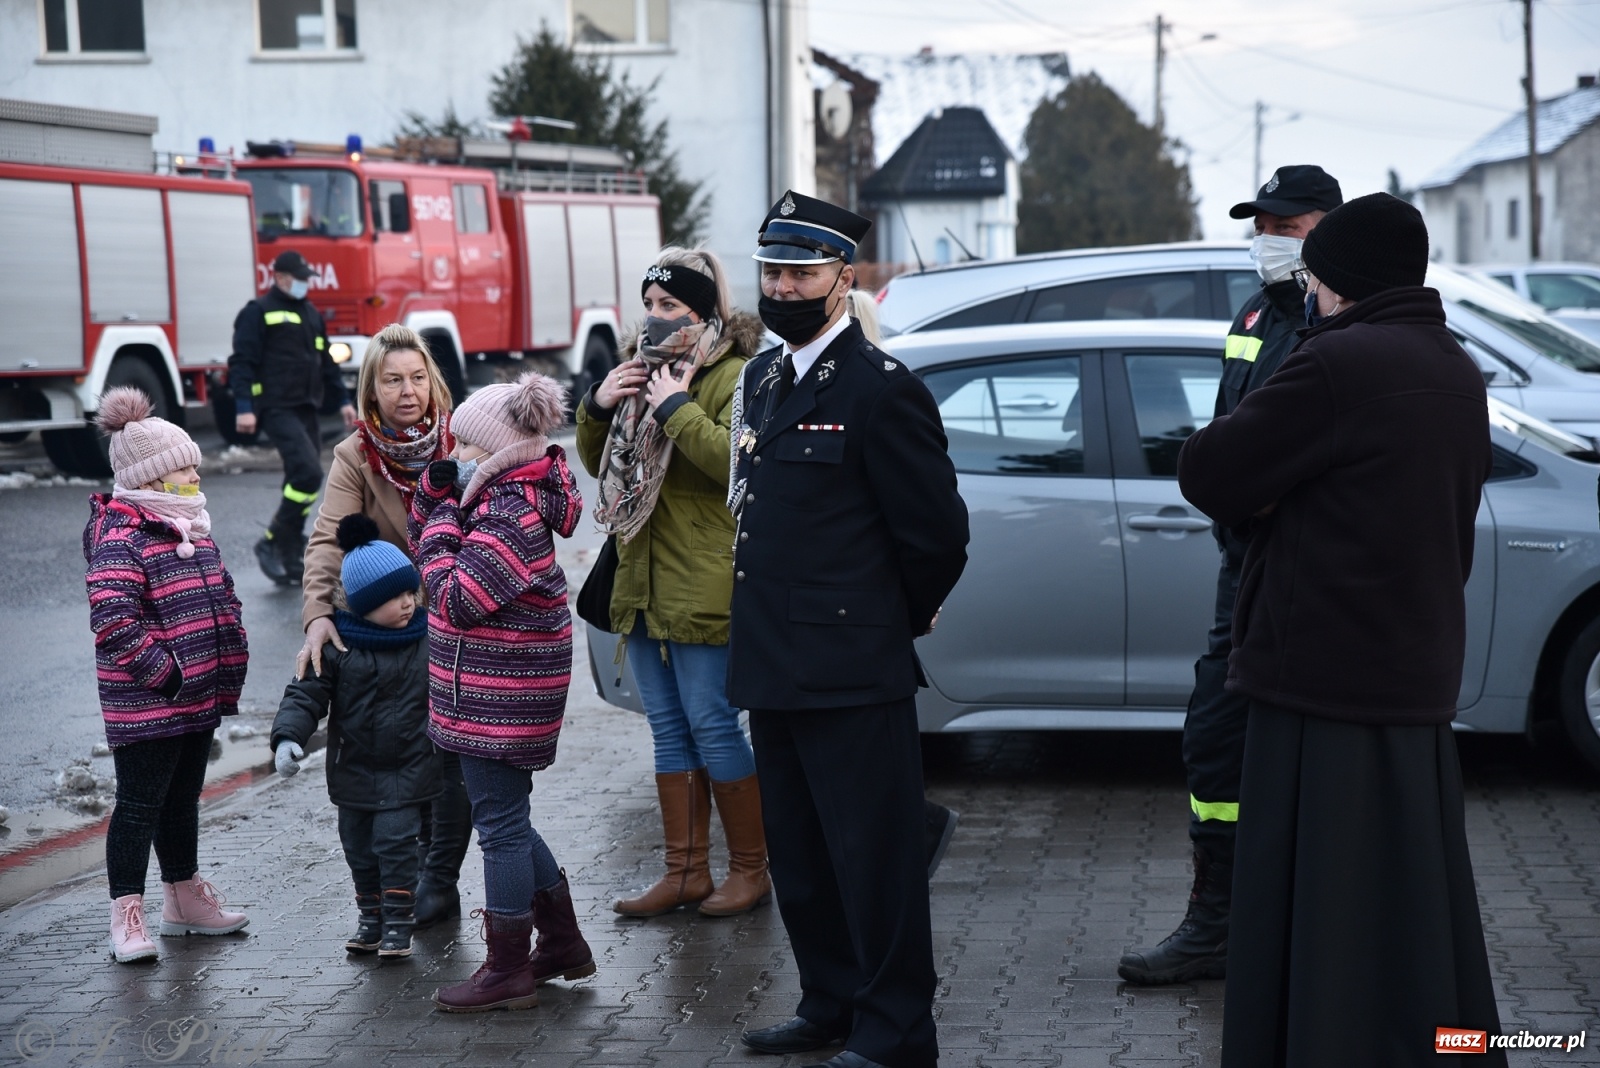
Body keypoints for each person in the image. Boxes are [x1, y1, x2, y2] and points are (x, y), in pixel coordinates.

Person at [1176, 193, 1504, 1066]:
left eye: (1315, 277)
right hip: (1414, 674)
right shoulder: (1454, 366)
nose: (1306, 291)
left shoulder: (1336, 364)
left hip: (1317, 679)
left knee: (1317, 913)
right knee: (1413, 909)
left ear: (1340, 281)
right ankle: (1444, 1047)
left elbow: (1211, 470)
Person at [729, 191, 969, 1068]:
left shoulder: (880, 390)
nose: (782, 286)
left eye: (800, 271)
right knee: (801, 856)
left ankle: (897, 1030)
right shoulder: (763, 378)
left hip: (851, 664)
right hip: (772, 660)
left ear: (843, 279)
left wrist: (886, 620)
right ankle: (830, 1001)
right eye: (772, 271)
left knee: (875, 862)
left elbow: (936, 533)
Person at [1119, 164, 1344, 986]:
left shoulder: (1339, 328)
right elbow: (1233, 432)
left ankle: (1307, 932)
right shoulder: (1256, 311)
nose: (1270, 241)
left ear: (1330, 232)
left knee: (1313, 760)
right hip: (1243, 573)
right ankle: (1215, 921)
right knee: (1215, 744)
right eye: (1265, 226)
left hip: (1310, 580)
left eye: (1288, 229)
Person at [575, 249, 771, 918]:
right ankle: (684, 871)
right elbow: (605, 465)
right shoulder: (643, 369)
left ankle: (751, 870)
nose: (655, 319)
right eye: (650, 306)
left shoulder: (736, 373)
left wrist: (679, 406)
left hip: (704, 581)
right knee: (666, 728)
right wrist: (599, 406)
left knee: (714, 723)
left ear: (703, 310)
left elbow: (731, 463)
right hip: (642, 576)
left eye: (669, 307)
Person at [410, 371, 596, 1013]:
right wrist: (435, 496)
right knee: (506, 819)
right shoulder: (493, 496)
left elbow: (457, 597)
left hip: (500, 696)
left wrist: (437, 521)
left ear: (495, 453)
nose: (452, 456)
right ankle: (563, 943)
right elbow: (432, 542)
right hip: (486, 690)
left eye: (462, 447)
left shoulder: (510, 512)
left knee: (501, 830)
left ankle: (507, 965)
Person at [294, 324, 471, 930]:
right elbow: (326, 540)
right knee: (407, 747)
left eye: (418, 377)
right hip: (395, 628)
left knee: (453, 756)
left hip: (459, 615)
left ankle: (439, 878)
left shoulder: (462, 439)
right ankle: (415, 870)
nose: (408, 391)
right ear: (371, 389)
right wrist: (319, 614)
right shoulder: (355, 455)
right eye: (393, 379)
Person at [85, 388, 250, 963]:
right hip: (151, 700)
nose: (194, 471)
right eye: (184, 465)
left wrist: (228, 655)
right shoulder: (124, 536)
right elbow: (112, 618)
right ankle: (125, 913)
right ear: (153, 478)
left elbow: (218, 597)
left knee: (182, 801)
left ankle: (183, 898)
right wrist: (168, 673)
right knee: (138, 804)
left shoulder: (191, 527)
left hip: (195, 695)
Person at [272, 514, 439, 961]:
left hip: (410, 769)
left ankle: (399, 925)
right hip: (354, 771)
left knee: (397, 845)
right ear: (362, 605)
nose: (407, 604)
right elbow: (306, 693)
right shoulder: (337, 647)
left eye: (411, 593)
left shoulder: (428, 640)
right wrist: (289, 736)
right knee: (360, 850)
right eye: (394, 598)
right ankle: (370, 918)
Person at [844, 287, 961, 880]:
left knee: (869, 766)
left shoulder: (883, 392)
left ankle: (907, 841)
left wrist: (908, 606)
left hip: (866, 616)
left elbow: (931, 530)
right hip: (856, 617)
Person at [229, 249, 357, 585]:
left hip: (306, 406)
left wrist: (343, 400)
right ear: (280, 277)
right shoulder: (258, 312)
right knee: (308, 472)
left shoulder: (311, 313)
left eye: (306, 279)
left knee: (301, 481)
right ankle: (271, 541)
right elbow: (242, 362)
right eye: (299, 279)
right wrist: (244, 406)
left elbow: (327, 362)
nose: (304, 284)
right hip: (275, 406)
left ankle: (288, 546)